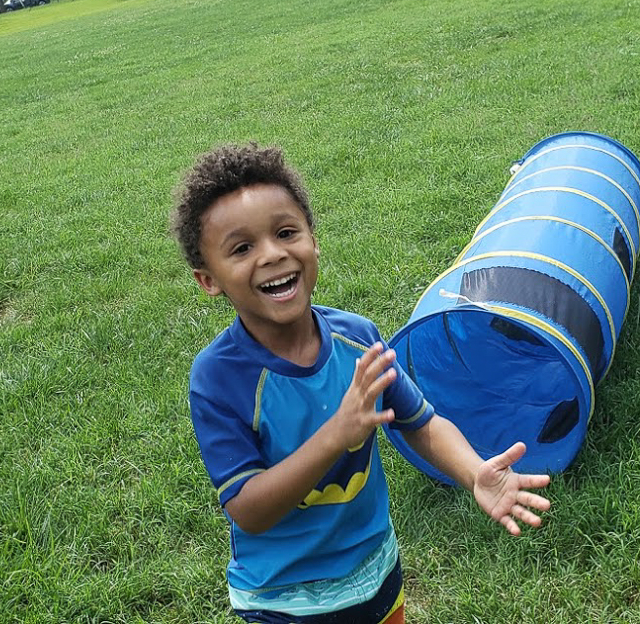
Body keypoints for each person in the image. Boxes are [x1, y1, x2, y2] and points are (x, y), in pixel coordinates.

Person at [172, 143, 552, 623]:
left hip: (376, 572)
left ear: (313, 239)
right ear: (209, 280)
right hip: (285, 601)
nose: (272, 254)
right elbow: (248, 509)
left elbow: (422, 423)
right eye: (242, 248)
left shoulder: (358, 339)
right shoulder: (219, 377)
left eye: (286, 232)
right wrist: (337, 434)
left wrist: (474, 472)